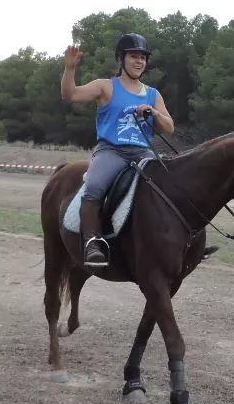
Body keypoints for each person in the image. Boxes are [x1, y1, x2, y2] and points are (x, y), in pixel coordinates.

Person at [61, 33, 174, 268]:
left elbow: (169, 128)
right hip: (112, 151)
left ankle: (181, 241)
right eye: (134, 56)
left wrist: (154, 113)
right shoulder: (106, 87)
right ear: (121, 59)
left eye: (143, 57)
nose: (139, 61)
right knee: (94, 185)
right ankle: (91, 241)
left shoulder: (153, 94)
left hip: (143, 153)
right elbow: (69, 95)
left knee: (172, 185)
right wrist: (70, 69)